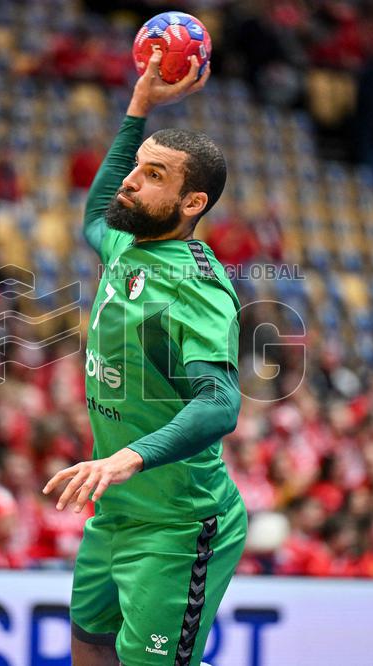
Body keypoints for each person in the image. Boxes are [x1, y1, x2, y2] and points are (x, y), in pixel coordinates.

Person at [43, 52, 247, 666]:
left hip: (179, 525)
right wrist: (138, 108)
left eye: (153, 175)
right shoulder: (127, 241)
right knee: (88, 650)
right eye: (136, 167)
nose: (130, 181)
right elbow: (93, 214)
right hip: (115, 513)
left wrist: (130, 456)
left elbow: (221, 404)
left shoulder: (197, 284)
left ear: (192, 203)